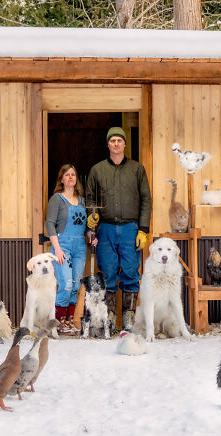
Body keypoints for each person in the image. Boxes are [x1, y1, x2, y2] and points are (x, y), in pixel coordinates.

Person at [85, 127, 152, 332]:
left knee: (131, 272)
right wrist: (92, 215)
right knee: (108, 273)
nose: (116, 144)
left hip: (131, 228)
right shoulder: (97, 170)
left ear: (124, 144)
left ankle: (129, 319)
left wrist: (143, 229)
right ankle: (110, 318)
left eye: (119, 141)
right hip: (105, 228)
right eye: (112, 140)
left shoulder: (136, 169)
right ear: (108, 144)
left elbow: (146, 200)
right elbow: (89, 198)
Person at [46, 164, 96, 334]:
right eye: (66, 175)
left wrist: (91, 237)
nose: (70, 177)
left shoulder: (82, 201)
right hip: (63, 246)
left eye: (73, 175)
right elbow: (50, 224)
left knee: (75, 285)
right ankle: (59, 322)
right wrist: (57, 249)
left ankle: (69, 321)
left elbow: (85, 228)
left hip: (80, 247)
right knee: (66, 284)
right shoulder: (56, 199)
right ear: (61, 179)